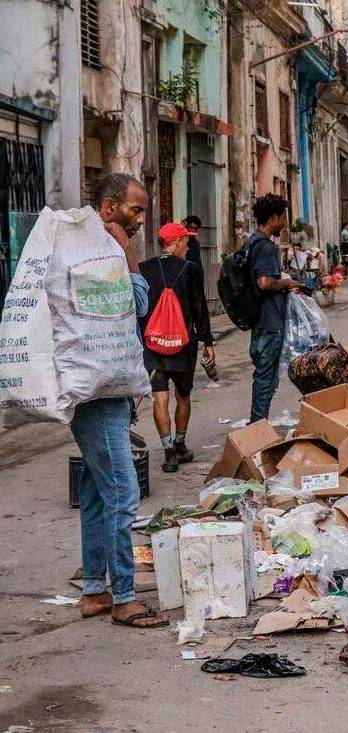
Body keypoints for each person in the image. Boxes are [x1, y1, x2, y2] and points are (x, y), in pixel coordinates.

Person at [76, 173, 168, 628]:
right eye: (135, 209)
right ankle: (125, 597)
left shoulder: (85, 247)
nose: (140, 219)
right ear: (110, 207)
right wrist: (129, 255)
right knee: (122, 494)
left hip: (93, 388)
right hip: (100, 393)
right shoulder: (102, 251)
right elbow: (138, 303)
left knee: (96, 492)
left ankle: (95, 590)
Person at [139, 222, 214, 474]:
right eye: (187, 241)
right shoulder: (190, 269)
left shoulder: (144, 268)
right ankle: (180, 444)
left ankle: (168, 451)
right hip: (183, 345)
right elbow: (199, 308)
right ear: (178, 242)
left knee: (159, 396)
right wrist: (208, 342)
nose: (189, 246)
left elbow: (139, 308)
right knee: (183, 396)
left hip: (153, 344)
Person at [247, 193, 305, 423]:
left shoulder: (251, 242)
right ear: (272, 218)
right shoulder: (265, 246)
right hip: (269, 322)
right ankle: (257, 426)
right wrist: (288, 283)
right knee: (265, 378)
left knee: (265, 376)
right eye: (282, 219)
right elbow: (264, 282)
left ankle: (258, 424)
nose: (283, 224)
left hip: (260, 319)